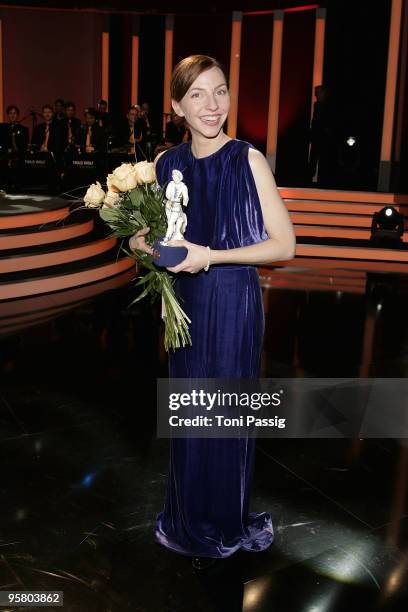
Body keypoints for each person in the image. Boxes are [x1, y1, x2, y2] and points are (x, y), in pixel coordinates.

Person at [129, 55, 295, 570]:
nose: (212, 105)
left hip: (233, 301)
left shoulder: (248, 159)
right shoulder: (164, 164)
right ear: (177, 105)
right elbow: (156, 240)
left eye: (219, 91)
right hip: (184, 304)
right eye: (197, 94)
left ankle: (223, 521)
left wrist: (213, 255)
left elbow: (285, 245)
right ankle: (187, 516)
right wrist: (139, 242)